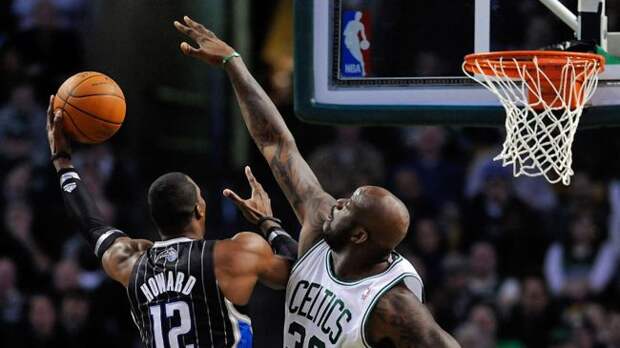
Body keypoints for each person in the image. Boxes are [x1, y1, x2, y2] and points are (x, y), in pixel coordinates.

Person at [175, 16, 459, 347]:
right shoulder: (323, 224)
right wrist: (232, 63)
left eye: (349, 205)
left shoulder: (390, 303)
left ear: (359, 234)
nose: (337, 202)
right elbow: (276, 143)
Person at [45, 95, 298, 347]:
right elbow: (301, 273)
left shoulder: (130, 261)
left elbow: (92, 226)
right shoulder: (232, 255)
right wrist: (268, 223)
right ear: (199, 210)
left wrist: (63, 162)